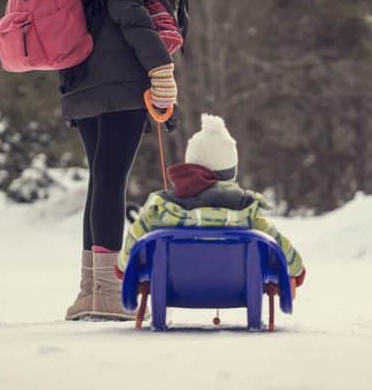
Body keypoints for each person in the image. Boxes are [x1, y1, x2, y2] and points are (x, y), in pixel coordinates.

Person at [54, 0, 178, 321]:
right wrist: (159, 64)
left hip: (75, 65)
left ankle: (90, 289)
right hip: (118, 66)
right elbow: (127, 2)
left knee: (100, 176)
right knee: (111, 176)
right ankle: (106, 291)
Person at [114, 114, 307, 292]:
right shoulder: (246, 212)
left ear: (190, 165)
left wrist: (122, 268)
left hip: (176, 290)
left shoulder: (161, 210)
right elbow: (280, 247)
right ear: (231, 171)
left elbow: (131, 246)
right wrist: (296, 271)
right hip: (235, 291)